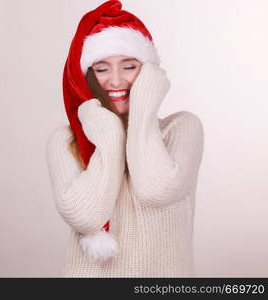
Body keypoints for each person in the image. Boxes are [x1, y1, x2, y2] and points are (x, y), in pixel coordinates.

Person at [45, 0, 204, 277]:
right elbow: (86, 216)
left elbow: (155, 189)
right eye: (102, 69)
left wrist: (141, 113)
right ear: (86, 76)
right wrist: (110, 134)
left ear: (150, 72)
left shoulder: (181, 128)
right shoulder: (64, 141)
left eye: (129, 66)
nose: (115, 81)